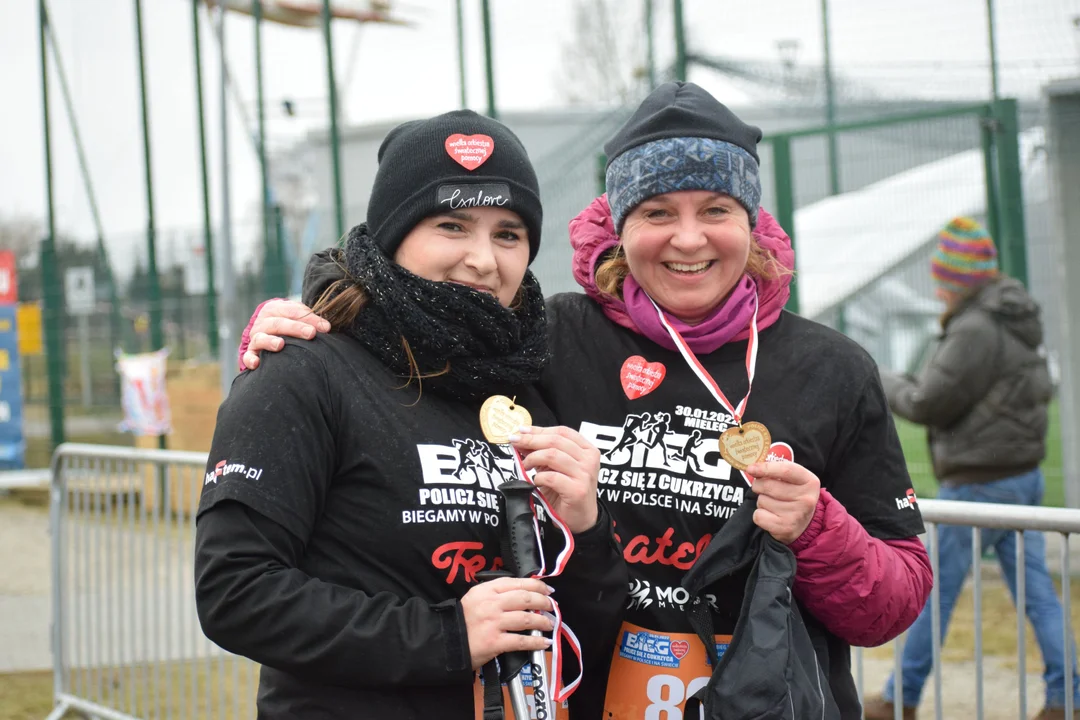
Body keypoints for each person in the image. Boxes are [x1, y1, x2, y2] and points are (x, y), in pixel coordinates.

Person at [239, 82, 933, 718]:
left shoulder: (830, 369)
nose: (688, 238)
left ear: (750, 223)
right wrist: (307, 324)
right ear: (618, 225)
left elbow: (892, 604)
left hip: (766, 700)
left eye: (715, 211)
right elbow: (413, 335)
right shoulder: (544, 339)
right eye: (658, 211)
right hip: (579, 693)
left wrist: (816, 527)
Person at [194, 109, 627, 720]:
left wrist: (586, 532)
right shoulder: (304, 370)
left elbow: (585, 621)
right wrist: (448, 637)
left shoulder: (527, 380)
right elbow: (234, 592)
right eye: (452, 225)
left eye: (508, 234)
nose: (482, 259)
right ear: (394, 234)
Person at [863, 217, 1078, 720]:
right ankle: (1066, 695)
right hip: (1021, 476)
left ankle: (900, 698)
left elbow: (924, 403)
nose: (936, 289)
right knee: (1039, 594)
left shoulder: (975, 328)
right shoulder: (1013, 317)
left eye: (941, 278)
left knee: (931, 594)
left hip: (979, 487)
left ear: (956, 280)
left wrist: (876, 373)